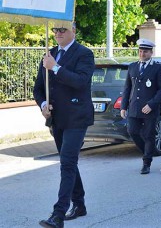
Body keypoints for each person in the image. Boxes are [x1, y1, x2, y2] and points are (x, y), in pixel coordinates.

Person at [33, 23, 95, 228]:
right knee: (69, 162)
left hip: (77, 117)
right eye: (55, 30)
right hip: (57, 118)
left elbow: (80, 81)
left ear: (73, 31)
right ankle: (79, 204)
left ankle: (58, 214)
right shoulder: (49, 54)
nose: (58, 33)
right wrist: (43, 104)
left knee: (67, 162)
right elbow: (39, 88)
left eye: (62, 30)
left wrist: (56, 68)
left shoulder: (84, 54)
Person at [120, 39, 161, 175]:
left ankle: (146, 162)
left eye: (145, 52)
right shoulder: (133, 66)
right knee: (132, 131)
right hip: (134, 107)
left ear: (151, 53)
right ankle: (148, 151)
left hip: (149, 108)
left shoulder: (158, 68)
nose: (142, 54)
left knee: (148, 135)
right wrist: (124, 106)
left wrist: (152, 104)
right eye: (140, 51)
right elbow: (127, 88)